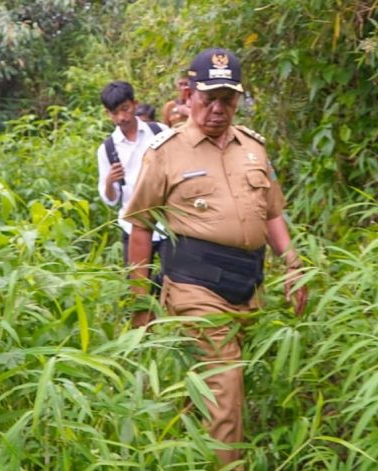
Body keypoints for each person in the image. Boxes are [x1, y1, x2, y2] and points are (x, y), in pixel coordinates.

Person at [124, 48, 308, 468]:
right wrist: (140, 301)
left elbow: (273, 212)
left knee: (210, 388)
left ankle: (183, 455)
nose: (218, 109)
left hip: (247, 286)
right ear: (187, 95)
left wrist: (293, 267)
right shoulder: (165, 151)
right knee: (226, 384)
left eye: (228, 99)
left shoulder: (253, 148)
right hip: (194, 285)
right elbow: (139, 226)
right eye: (209, 98)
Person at [96, 81, 168, 268]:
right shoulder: (107, 149)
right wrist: (109, 182)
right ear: (108, 114)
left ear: (135, 104)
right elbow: (112, 200)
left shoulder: (160, 132)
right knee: (137, 284)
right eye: (114, 113)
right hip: (132, 226)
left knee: (175, 279)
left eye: (125, 109)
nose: (122, 117)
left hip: (168, 223)